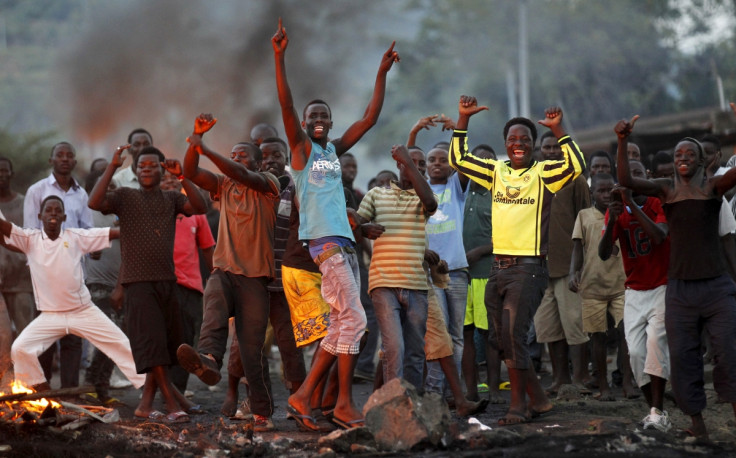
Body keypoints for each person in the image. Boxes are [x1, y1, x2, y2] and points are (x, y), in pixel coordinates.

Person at [272, 17, 399, 430]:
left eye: (324, 113)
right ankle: (314, 396)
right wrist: (280, 58)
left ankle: (328, 400)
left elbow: (369, 118)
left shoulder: (333, 149)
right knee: (356, 320)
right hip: (324, 244)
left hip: (342, 243)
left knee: (347, 321)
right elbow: (287, 106)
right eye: (313, 115)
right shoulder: (302, 149)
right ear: (306, 123)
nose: (319, 118)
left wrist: (380, 73)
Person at [448, 95, 585, 426]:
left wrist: (559, 130)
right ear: (505, 145)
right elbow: (457, 159)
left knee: (513, 336)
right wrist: (462, 119)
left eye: (525, 139)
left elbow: (575, 165)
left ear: (534, 145)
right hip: (498, 268)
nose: (518, 143)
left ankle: (518, 407)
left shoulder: (543, 173)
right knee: (501, 338)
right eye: (512, 139)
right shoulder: (495, 171)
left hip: (528, 268)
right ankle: (539, 400)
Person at [616, 111, 736, 439]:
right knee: (683, 360)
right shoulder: (665, 191)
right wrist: (623, 140)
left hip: (715, 286)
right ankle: (697, 425)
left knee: (727, 353)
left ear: (700, 161)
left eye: (690, 155)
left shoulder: (713, 188)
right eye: (678, 154)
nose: (683, 159)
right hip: (680, 291)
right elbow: (626, 181)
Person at [175, 114, 281, 432]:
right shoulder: (223, 186)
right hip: (225, 269)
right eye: (232, 155)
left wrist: (206, 150)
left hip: (256, 278)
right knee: (215, 301)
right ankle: (208, 360)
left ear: (259, 163)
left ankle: (262, 413)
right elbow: (191, 172)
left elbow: (244, 175)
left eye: (242, 155)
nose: (235, 160)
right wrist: (196, 139)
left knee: (251, 352)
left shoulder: (269, 184)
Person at [89, 144, 207, 423]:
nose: (146, 170)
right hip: (138, 283)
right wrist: (112, 167)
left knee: (165, 346)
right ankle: (171, 402)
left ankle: (146, 405)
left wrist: (182, 178)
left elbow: (201, 206)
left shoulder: (171, 199)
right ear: (135, 170)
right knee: (152, 345)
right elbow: (95, 202)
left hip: (167, 281)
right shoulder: (125, 197)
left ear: (161, 167)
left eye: (152, 165)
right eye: (141, 166)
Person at [5, 195, 145, 394]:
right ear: (40, 216)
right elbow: (5, 228)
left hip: (82, 312)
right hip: (50, 316)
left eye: (57, 210)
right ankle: (41, 391)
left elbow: (113, 233)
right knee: (19, 349)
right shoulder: (30, 239)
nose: (53, 213)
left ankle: (149, 388)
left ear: (64, 217)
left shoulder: (75, 237)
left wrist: (141, 229)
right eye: (48, 210)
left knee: (122, 346)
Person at [355, 144, 437, 390]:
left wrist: (410, 165)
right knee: (394, 348)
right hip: (383, 283)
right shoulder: (377, 194)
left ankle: (412, 405)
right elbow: (356, 223)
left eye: (421, 164)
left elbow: (431, 205)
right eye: (411, 162)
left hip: (415, 285)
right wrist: (361, 228)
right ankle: (392, 403)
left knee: (415, 351)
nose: (418, 167)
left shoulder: (423, 195)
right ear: (398, 165)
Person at [599, 160, 671, 432]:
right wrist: (614, 219)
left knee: (655, 345)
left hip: (663, 285)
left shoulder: (657, 201)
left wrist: (633, 203)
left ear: (647, 177)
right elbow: (604, 253)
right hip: (634, 290)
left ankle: (658, 411)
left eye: (637, 174)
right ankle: (654, 409)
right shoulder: (617, 210)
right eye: (627, 177)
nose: (632, 180)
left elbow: (659, 236)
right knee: (636, 353)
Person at [24, 141, 92, 389]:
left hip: (74, 275)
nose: (64, 159)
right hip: (46, 276)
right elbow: (30, 234)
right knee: (46, 335)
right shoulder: (36, 191)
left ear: (74, 162)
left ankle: (70, 392)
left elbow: (87, 230)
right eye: (59, 155)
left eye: (69, 155)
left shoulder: (81, 194)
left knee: (73, 336)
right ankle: (42, 393)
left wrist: (92, 249)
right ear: (51, 160)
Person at [533, 131, 592, 397]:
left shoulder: (576, 181)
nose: (552, 152)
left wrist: (581, 265)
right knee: (548, 327)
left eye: (557, 148)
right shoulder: (533, 179)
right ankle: (560, 379)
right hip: (537, 266)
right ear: (540, 151)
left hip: (568, 265)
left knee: (575, 325)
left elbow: (587, 220)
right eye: (547, 148)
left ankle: (579, 379)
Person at [569, 172, 633, 401]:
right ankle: (603, 385)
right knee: (597, 337)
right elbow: (578, 248)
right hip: (592, 285)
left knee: (626, 333)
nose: (606, 195)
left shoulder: (624, 212)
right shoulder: (584, 216)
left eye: (610, 190)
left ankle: (627, 381)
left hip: (621, 283)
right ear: (592, 193)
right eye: (601, 191)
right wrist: (572, 273)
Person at [159, 170, 215, 394]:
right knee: (161, 341)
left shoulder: (195, 214)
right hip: (158, 284)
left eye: (174, 179)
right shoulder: (148, 212)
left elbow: (207, 248)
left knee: (184, 342)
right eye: (164, 179)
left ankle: (178, 393)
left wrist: (216, 277)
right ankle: (162, 391)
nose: (169, 182)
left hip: (189, 287)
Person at [460, 145, 502, 403]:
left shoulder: (499, 195)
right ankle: (471, 390)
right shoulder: (460, 192)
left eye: (489, 160)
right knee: (465, 333)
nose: (484, 165)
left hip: (487, 273)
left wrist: (479, 251)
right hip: (460, 275)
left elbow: (508, 236)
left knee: (490, 334)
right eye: (480, 160)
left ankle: (495, 388)